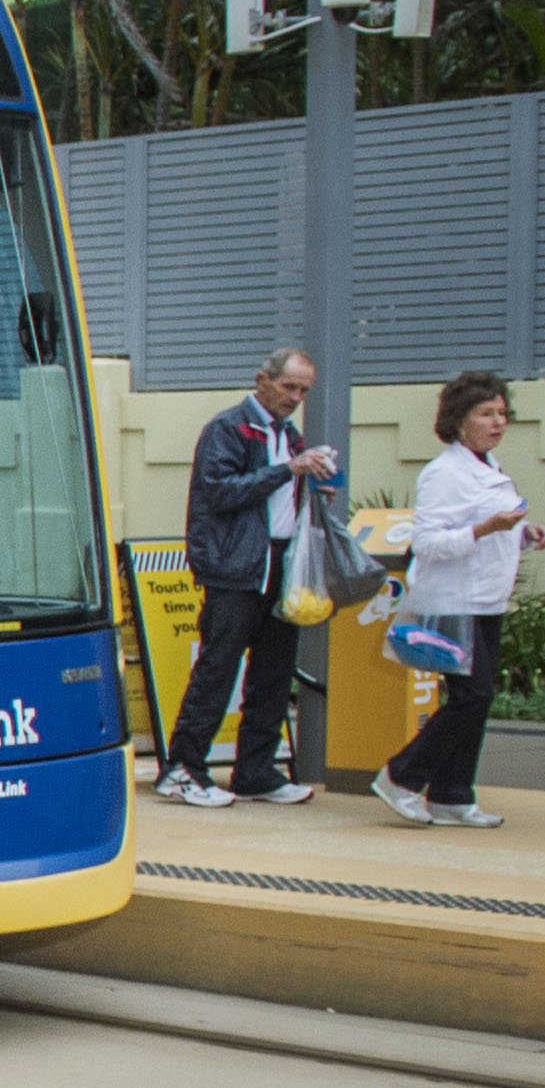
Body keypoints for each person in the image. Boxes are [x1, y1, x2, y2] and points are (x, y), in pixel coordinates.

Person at [158, 345, 341, 807]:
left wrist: (313, 488)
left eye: (304, 390)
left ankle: (255, 771)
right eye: (288, 387)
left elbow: (277, 496)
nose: (296, 397)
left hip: (278, 563)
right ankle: (183, 769)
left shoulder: (289, 436)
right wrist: (287, 471)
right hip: (235, 568)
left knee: (274, 673)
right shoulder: (229, 428)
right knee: (218, 668)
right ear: (263, 380)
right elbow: (218, 492)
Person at [384, 368, 545, 829]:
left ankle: (453, 794)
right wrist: (486, 529)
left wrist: (524, 535)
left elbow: (493, 529)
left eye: (502, 413)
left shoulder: (489, 468)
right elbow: (430, 543)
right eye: (485, 413)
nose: (498, 422)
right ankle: (402, 776)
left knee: (477, 698)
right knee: (471, 697)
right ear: (459, 420)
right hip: (455, 599)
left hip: (486, 599)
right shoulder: (444, 473)